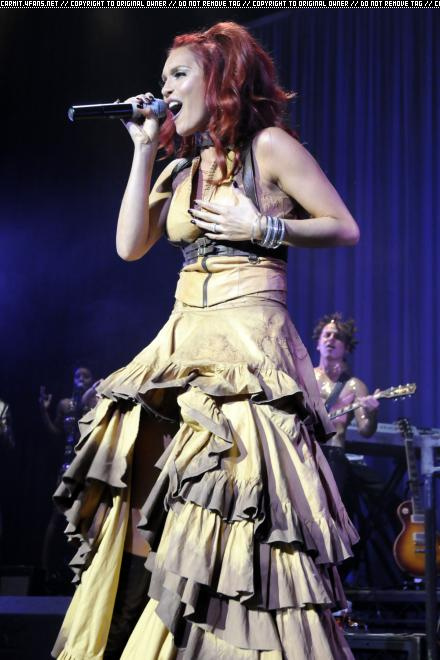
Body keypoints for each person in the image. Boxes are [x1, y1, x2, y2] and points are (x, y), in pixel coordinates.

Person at [53, 22, 361, 660]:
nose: (163, 87)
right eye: (163, 77)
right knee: (142, 487)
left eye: (178, 74)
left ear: (219, 80)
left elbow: (343, 226)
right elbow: (129, 245)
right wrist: (143, 150)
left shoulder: (269, 147)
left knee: (233, 502)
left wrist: (265, 226)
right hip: (182, 338)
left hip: (247, 344)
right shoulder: (180, 168)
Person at [313, 313, 400, 586]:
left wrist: (371, 412)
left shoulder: (354, 386)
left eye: (338, 337)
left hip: (333, 457)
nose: (331, 339)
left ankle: (335, 583)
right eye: (327, 335)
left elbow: (365, 430)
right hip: (304, 455)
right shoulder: (304, 378)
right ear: (318, 343)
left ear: (347, 348)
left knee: (335, 521)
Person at [39, 366, 99, 592]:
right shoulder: (64, 404)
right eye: (78, 376)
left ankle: (83, 571)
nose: (81, 379)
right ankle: (46, 570)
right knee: (57, 516)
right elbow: (56, 433)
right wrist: (44, 412)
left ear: (92, 379)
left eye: (86, 375)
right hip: (66, 466)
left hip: (86, 466)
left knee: (85, 517)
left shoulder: (95, 402)